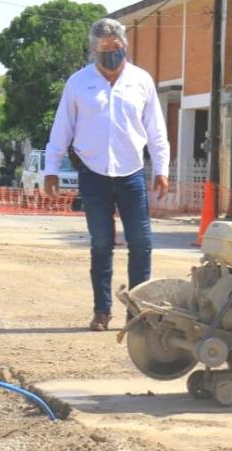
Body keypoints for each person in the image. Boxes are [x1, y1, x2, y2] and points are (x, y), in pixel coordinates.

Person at [44, 18, 170, 331]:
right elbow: (62, 129)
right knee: (101, 243)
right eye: (103, 50)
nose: (110, 55)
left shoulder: (141, 81)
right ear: (93, 51)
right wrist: (51, 169)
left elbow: (156, 129)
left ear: (124, 47)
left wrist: (162, 168)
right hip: (93, 174)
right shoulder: (78, 83)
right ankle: (102, 311)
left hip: (131, 174)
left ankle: (138, 310)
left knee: (141, 242)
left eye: (115, 49)